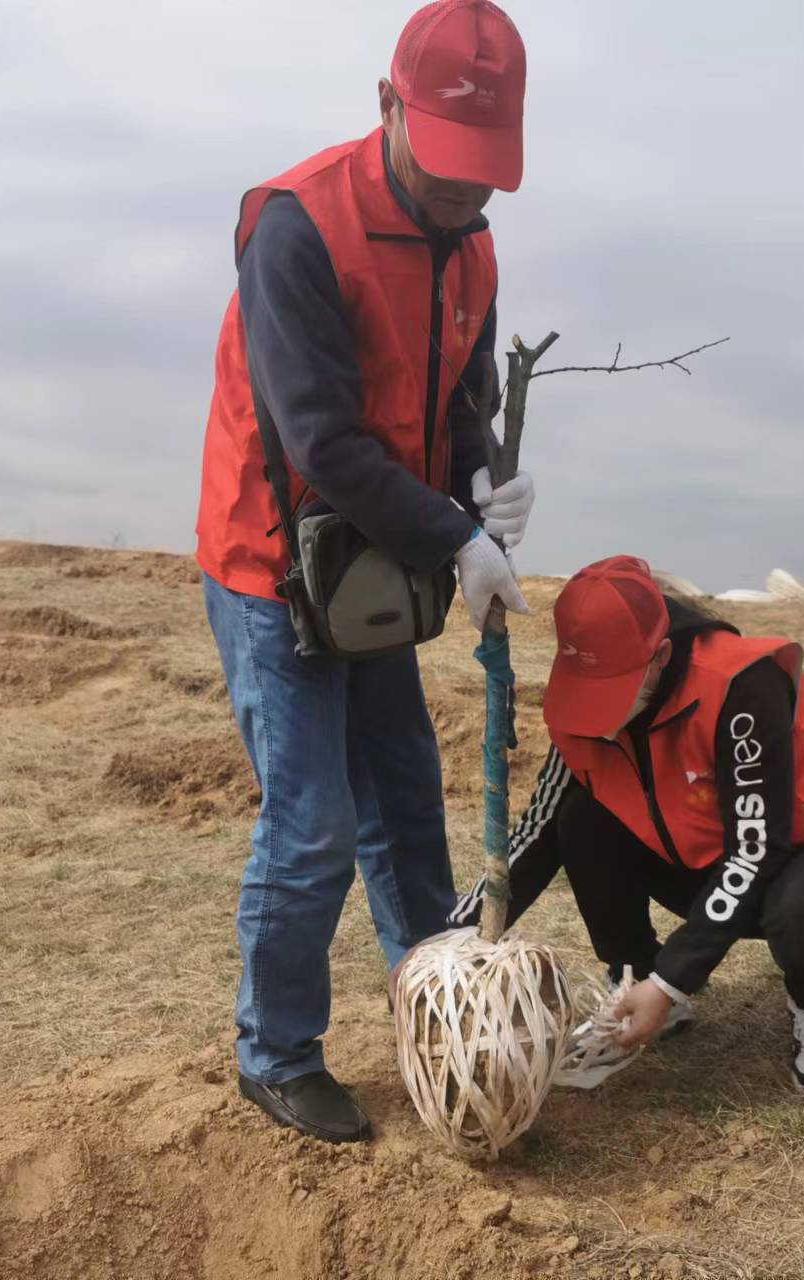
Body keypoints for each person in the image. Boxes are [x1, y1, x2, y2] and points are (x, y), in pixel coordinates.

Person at [195, 0, 533, 1144]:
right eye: (445, 170)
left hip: (376, 556)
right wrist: (454, 536)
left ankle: (433, 1010)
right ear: (388, 106)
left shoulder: (470, 244)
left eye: (483, 178)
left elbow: (459, 398)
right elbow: (323, 442)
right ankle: (274, 1050)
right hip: (271, 557)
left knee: (403, 801)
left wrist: (484, 477)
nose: (460, 199)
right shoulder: (297, 226)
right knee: (313, 825)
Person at [451, 556, 804, 1093]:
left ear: (661, 656)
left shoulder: (741, 686)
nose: (598, 716)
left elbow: (757, 849)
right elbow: (538, 831)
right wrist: (453, 939)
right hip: (698, 865)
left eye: (613, 689)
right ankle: (633, 980)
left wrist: (672, 981)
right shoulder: (578, 706)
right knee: (579, 819)